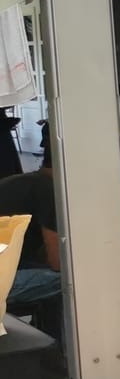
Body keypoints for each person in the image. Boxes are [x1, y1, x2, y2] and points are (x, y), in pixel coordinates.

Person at [0, 132, 61, 331]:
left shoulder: (20, 183)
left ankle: (45, 338)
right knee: (69, 281)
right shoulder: (48, 190)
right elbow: (57, 262)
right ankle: (54, 344)